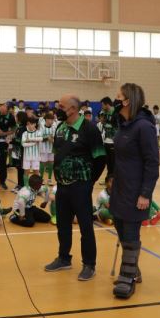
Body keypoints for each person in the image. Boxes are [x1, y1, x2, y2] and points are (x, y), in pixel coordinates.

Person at [44, 94, 106, 282]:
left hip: (81, 187)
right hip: (62, 186)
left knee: (86, 227)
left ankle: (89, 264)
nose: (57, 108)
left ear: (72, 109)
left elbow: (100, 158)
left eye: (61, 106)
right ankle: (64, 258)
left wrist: (89, 182)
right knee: (63, 225)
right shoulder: (61, 128)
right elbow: (57, 154)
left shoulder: (90, 129)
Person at [109, 83, 160, 299]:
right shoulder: (124, 125)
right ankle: (133, 269)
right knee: (121, 230)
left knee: (130, 235)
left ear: (127, 100)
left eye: (118, 96)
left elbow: (152, 163)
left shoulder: (144, 127)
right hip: (120, 189)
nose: (115, 100)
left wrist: (145, 194)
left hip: (135, 191)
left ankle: (127, 277)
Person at [0, 103, 16, 190]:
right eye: (0, 109)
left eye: (3, 109)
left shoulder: (10, 117)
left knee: (2, 163)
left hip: (4, 142)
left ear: (7, 109)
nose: (1, 111)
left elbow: (14, 129)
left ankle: (2, 182)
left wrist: (4, 133)